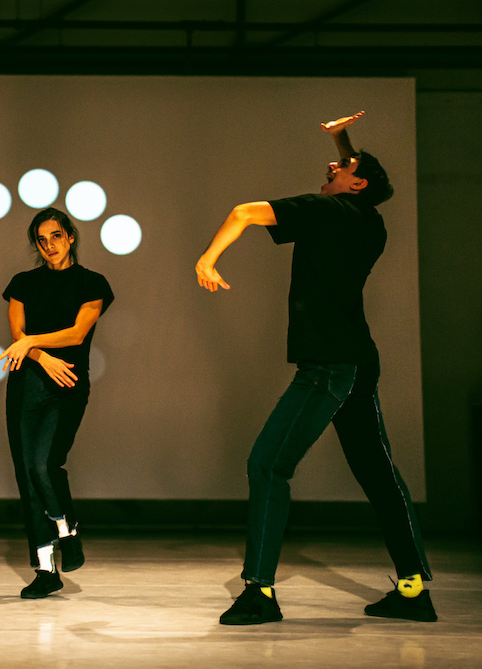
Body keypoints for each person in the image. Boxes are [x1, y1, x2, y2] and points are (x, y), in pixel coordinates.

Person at [195, 112, 435, 624]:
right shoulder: (370, 221)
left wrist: (208, 259)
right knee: (380, 474)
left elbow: (242, 212)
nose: (331, 167)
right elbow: (358, 175)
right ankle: (414, 589)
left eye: (341, 167)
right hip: (358, 361)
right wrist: (341, 140)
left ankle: (259, 593)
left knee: (267, 465)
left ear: (357, 184)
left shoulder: (326, 211)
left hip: (327, 366)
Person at [0, 207, 113, 599]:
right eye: (42, 239)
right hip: (28, 384)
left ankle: (68, 530)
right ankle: (46, 570)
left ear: (70, 237)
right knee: (26, 473)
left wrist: (32, 343)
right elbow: (17, 333)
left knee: (44, 464)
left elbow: (78, 334)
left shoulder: (92, 283)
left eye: (56, 236)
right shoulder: (22, 283)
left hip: (67, 384)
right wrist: (40, 355)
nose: (49, 245)